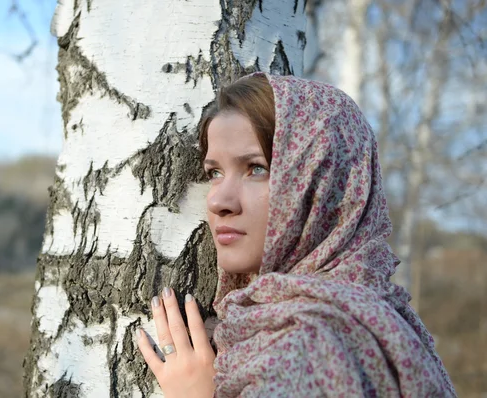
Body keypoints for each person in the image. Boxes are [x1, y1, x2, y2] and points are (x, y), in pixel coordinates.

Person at [135, 73, 456, 397]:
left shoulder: (308, 347)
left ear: (325, 186)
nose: (218, 201)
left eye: (256, 169)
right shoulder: (376, 312)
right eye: (215, 173)